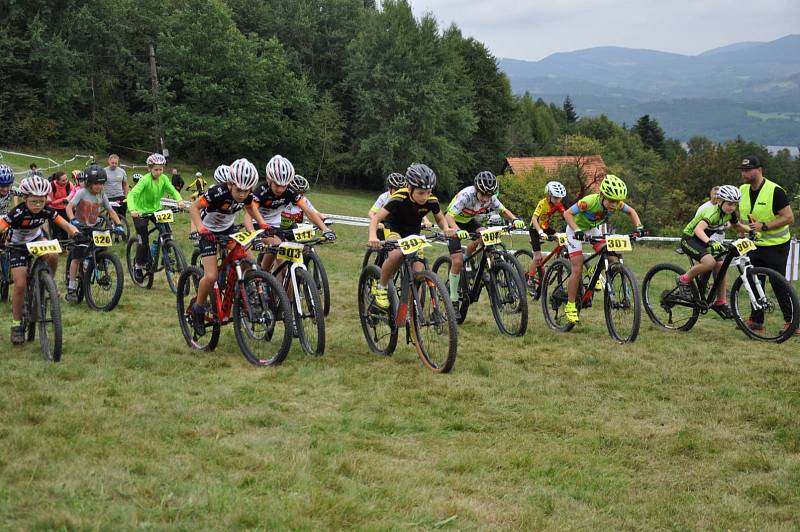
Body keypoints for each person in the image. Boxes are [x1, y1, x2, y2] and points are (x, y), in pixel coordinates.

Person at [187, 158, 271, 336]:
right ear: (230, 183)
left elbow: (250, 209)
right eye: (239, 190)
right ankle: (198, 309)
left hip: (228, 230)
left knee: (249, 261)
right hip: (208, 232)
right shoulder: (217, 192)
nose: (242, 194)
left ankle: (247, 293)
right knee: (211, 276)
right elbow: (194, 208)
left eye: (247, 190)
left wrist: (263, 225)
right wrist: (200, 229)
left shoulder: (246, 194)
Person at [0, 176, 81, 344]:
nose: (38, 205)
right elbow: (2, 225)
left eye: (41, 201)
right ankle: (16, 325)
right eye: (34, 201)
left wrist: (77, 234)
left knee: (53, 252)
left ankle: (48, 281)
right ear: (25, 198)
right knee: (20, 284)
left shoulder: (46, 210)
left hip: (37, 239)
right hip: (18, 245)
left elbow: (64, 224)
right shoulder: (18, 212)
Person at [367, 163, 456, 309]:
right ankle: (381, 287)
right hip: (394, 228)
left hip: (413, 232)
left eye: (428, 192)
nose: (425, 197)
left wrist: (446, 228)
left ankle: (413, 312)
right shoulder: (399, 197)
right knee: (396, 255)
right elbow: (376, 218)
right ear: (409, 188)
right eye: (421, 193)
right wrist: (373, 236)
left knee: (418, 270)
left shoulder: (432, 200)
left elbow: (440, 218)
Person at [562, 174, 644, 324]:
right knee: (577, 268)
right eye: (611, 201)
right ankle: (570, 305)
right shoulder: (588, 202)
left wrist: (639, 227)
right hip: (575, 230)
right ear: (602, 195)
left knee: (611, 258)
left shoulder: (617, 203)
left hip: (592, 229)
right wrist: (577, 230)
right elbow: (567, 213)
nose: (614, 204)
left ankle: (597, 273)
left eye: (617, 201)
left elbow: (632, 211)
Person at [445, 171, 526, 313]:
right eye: (483, 195)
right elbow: (448, 217)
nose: (485, 199)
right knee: (457, 262)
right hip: (452, 222)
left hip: (469, 221)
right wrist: (457, 231)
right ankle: (453, 299)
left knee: (485, 235)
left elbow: (503, 210)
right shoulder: (466, 195)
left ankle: (475, 266)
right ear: (476, 189)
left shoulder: (490, 197)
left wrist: (515, 219)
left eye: (488, 195)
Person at [736, 155, 797, 334]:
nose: (744, 173)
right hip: (754, 245)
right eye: (742, 170)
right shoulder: (743, 190)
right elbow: (741, 216)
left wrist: (765, 226)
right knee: (754, 281)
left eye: (748, 170)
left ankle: (792, 323)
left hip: (776, 245)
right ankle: (756, 321)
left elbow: (789, 218)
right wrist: (740, 235)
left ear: (759, 170)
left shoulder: (775, 191)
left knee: (778, 283)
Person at [248, 155, 335, 273]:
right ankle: (262, 277)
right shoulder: (262, 191)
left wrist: (325, 229)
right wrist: (253, 234)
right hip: (258, 224)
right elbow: (248, 214)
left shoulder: (290, 192)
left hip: (275, 228)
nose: (280, 189)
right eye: (277, 185)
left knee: (284, 268)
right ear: (269, 180)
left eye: (284, 185)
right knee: (276, 245)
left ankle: (278, 287)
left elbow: (309, 212)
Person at [675, 185, 741, 316]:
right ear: (720, 201)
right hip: (690, 239)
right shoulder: (712, 212)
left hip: (703, 241)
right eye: (729, 204)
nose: (732, 207)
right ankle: (683, 279)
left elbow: (738, 226)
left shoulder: (729, 213)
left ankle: (720, 302)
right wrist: (710, 242)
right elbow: (698, 230)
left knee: (720, 265)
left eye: (735, 204)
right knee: (709, 263)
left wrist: (751, 230)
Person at [64, 165, 125, 302]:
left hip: (94, 226)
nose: (99, 186)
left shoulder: (102, 194)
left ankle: (99, 262)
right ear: (89, 183)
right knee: (76, 257)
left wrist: (119, 225)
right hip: (80, 228)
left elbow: (111, 211)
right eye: (96, 184)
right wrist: (73, 221)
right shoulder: (81, 193)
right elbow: (69, 207)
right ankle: (72, 287)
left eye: (101, 184)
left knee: (102, 247)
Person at [127, 154, 186, 282]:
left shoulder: (164, 179)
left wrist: (179, 200)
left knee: (166, 232)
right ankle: (138, 266)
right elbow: (132, 195)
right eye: (156, 170)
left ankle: (168, 253)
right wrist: (132, 209)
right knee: (143, 241)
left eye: (161, 169)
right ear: (149, 169)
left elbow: (173, 190)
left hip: (155, 210)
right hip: (140, 212)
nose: (159, 172)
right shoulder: (144, 180)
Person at [527, 181, 567, 285]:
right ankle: (530, 279)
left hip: (545, 227)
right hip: (535, 228)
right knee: (537, 257)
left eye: (560, 198)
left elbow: (567, 215)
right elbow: (534, 219)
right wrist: (540, 232)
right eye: (556, 198)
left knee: (560, 239)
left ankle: (557, 261)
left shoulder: (558, 204)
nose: (558, 200)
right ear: (549, 195)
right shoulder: (542, 203)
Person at [47, 171, 72, 241]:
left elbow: (74, 192)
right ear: (57, 180)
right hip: (53, 210)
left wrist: (68, 198)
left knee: (65, 230)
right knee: (56, 231)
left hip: (65, 210)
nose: (65, 181)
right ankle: (56, 248)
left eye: (66, 179)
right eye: (63, 180)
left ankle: (64, 247)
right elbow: (52, 202)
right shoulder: (51, 186)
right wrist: (63, 199)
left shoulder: (69, 184)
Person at [103, 154, 129, 219]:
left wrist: (126, 196)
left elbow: (125, 184)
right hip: (109, 197)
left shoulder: (122, 171)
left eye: (116, 163)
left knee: (122, 216)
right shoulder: (103, 171)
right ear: (109, 161)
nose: (114, 164)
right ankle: (112, 226)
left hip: (120, 196)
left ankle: (119, 227)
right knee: (114, 216)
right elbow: (101, 185)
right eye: (112, 163)